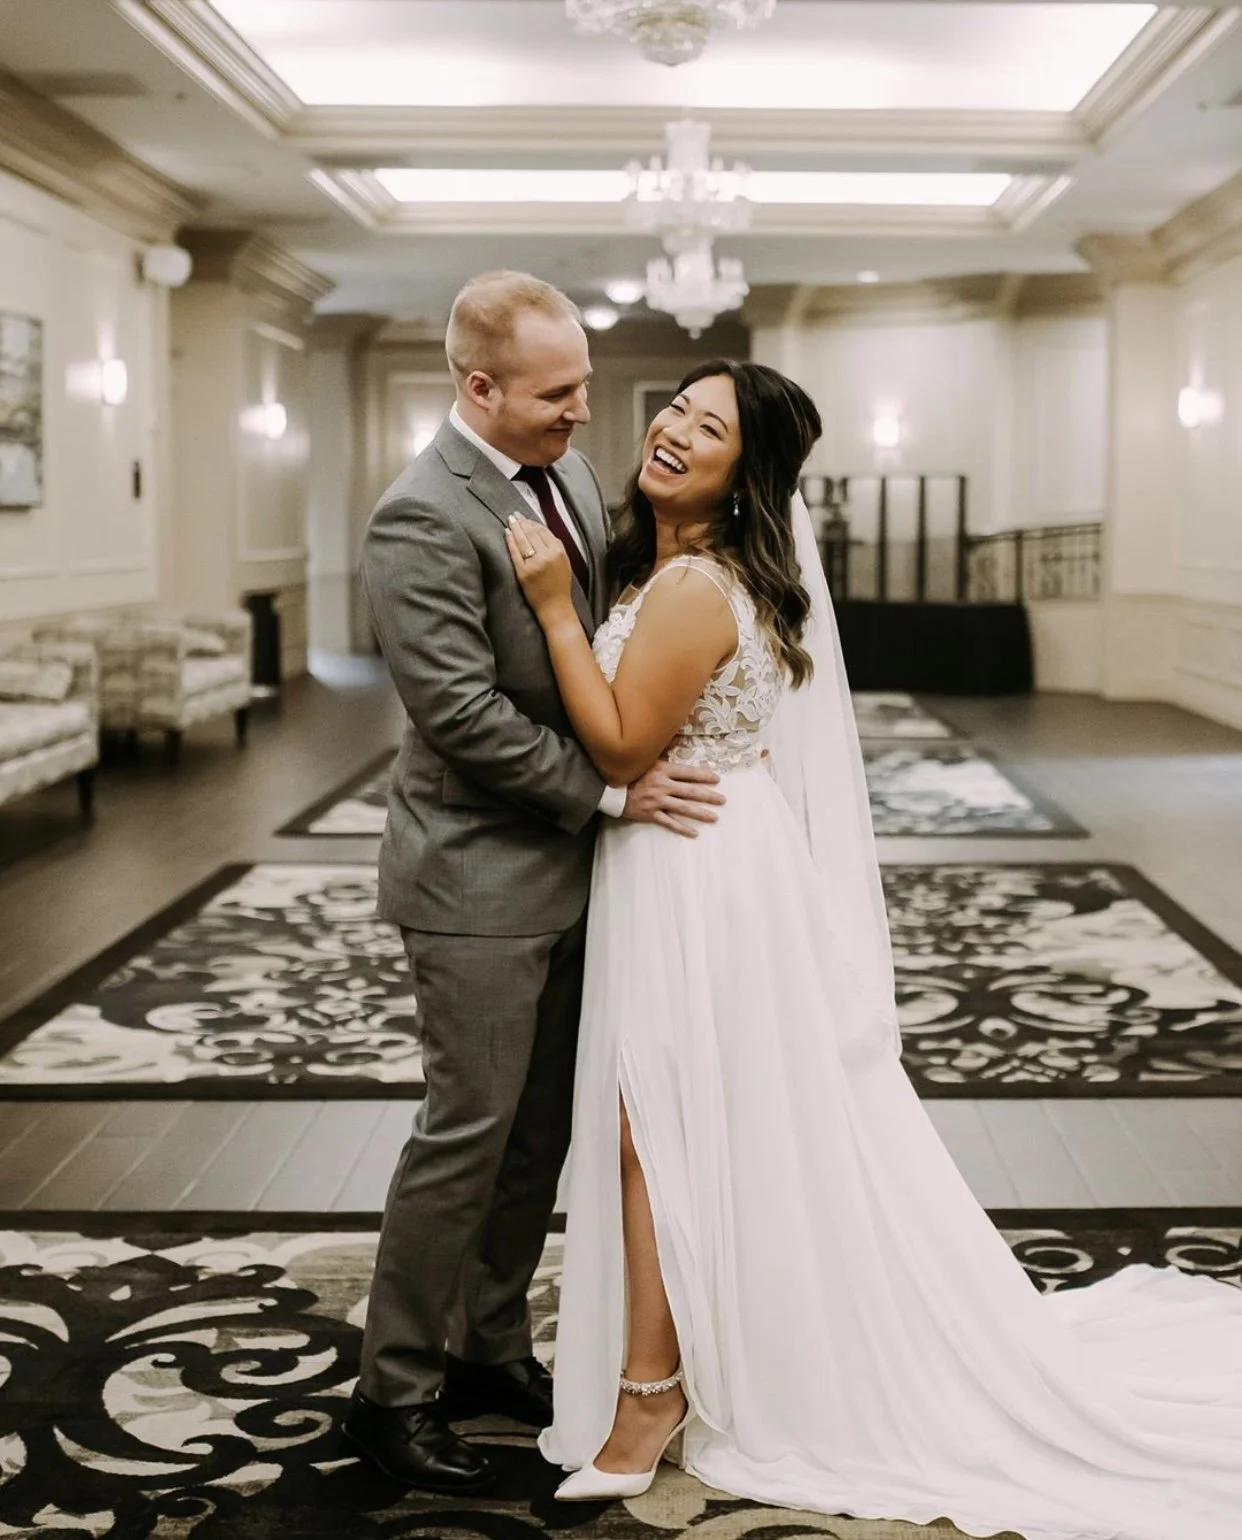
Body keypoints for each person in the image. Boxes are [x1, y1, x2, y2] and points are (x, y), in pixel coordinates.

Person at [506, 358, 1242, 1540]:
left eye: (709, 427)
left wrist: (553, 607)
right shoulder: (682, 569)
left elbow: (626, 745)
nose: (674, 430)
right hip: (704, 859)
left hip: (697, 873)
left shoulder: (692, 585)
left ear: (748, 474)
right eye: (677, 408)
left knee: (656, 1125)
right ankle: (699, 1351)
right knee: (679, 1122)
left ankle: (654, 1390)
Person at [345, 271, 726, 1495]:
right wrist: (612, 793)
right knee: (464, 1137)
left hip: (572, 873)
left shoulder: (561, 471)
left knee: (538, 1138)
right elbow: (459, 715)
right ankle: (391, 1394)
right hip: (474, 879)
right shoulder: (419, 515)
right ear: (480, 387)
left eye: (584, 386)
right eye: (558, 392)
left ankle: (487, 1347)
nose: (583, 411)